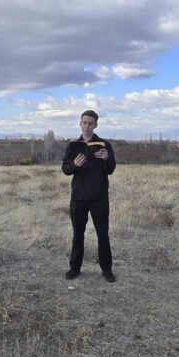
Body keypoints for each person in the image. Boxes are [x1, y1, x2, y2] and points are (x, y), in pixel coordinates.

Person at [62, 110, 117, 282]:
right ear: (80, 123)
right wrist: (75, 165)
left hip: (99, 197)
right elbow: (65, 169)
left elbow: (111, 169)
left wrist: (107, 158)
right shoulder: (72, 146)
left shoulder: (104, 144)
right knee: (78, 234)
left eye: (90, 123)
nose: (87, 126)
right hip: (78, 197)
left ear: (95, 125)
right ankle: (75, 268)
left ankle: (107, 270)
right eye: (84, 122)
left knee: (103, 234)